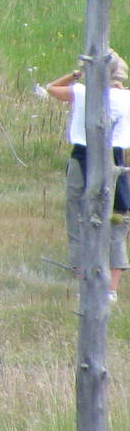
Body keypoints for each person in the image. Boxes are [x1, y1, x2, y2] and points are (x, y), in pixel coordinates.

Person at [44, 51, 130, 298]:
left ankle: (83, 278)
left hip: (82, 157)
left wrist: (77, 74)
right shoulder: (126, 98)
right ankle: (111, 289)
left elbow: (52, 88)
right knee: (116, 218)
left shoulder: (81, 92)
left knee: (79, 216)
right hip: (115, 159)